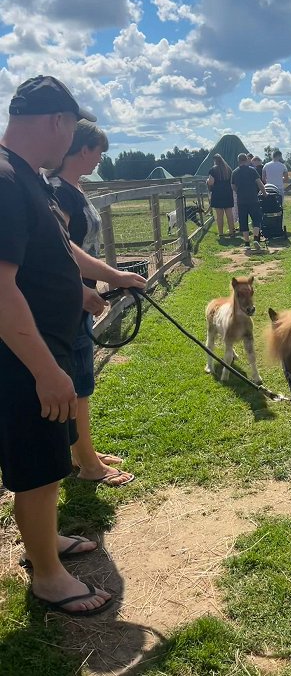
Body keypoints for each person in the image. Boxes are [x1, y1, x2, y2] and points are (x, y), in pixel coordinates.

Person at [0, 75, 146, 616]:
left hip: (46, 345)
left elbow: (62, 254)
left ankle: (46, 541)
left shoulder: (28, 179)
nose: (71, 141)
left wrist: (111, 280)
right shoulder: (6, 180)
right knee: (37, 466)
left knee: (49, 460)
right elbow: (1, 287)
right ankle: (48, 577)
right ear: (58, 122)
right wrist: (45, 369)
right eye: (71, 127)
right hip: (23, 356)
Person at [50, 121, 134, 487]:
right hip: (70, 302)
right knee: (79, 381)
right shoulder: (59, 193)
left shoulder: (74, 189)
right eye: (99, 151)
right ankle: (87, 464)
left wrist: (109, 279)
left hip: (82, 297)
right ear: (83, 149)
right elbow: (59, 250)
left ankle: (83, 449)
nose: (100, 158)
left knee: (81, 377)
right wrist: (82, 290)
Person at [231, 153, 266, 251]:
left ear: (238, 160)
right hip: (253, 198)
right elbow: (260, 183)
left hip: (241, 200)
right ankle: (255, 239)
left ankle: (246, 243)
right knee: (256, 219)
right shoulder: (252, 170)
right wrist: (265, 194)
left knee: (243, 221)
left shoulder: (235, 172)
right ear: (246, 160)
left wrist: (238, 191)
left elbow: (233, 186)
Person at [206, 154, 235, 238]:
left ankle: (221, 233)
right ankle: (232, 232)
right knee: (229, 214)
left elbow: (211, 182)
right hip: (227, 193)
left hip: (218, 193)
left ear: (215, 161)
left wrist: (207, 181)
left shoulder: (213, 170)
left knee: (219, 216)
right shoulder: (228, 169)